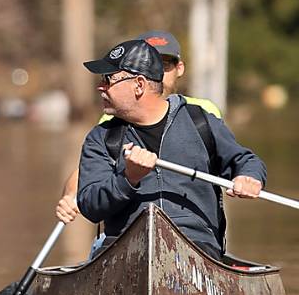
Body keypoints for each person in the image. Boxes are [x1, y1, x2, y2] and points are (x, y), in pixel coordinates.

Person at [74, 38, 264, 258]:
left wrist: (250, 178)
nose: (101, 87)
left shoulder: (201, 121)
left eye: (109, 79)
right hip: (124, 250)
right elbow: (89, 205)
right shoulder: (101, 137)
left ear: (139, 85)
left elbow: (247, 161)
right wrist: (127, 179)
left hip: (198, 248)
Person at [55, 31, 219, 224]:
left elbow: (234, 161)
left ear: (179, 68)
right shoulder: (114, 116)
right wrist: (71, 196)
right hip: (131, 222)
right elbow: (89, 171)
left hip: (193, 226)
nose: (156, 70)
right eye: (151, 62)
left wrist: (246, 177)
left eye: (164, 65)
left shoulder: (202, 113)